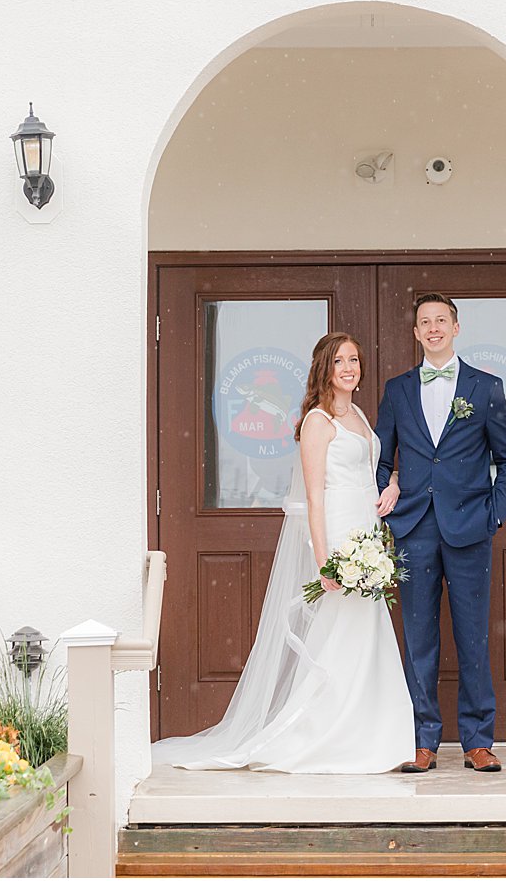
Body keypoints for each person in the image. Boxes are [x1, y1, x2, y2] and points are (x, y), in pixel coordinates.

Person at [151, 331, 414, 773]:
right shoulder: (317, 422)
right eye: (340, 362)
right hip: (339, 536)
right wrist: (323, 558)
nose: (350, 368)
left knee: (366, 634)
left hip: (368, 532)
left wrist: (393, 485)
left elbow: (370, 472)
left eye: (354, 359)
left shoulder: (361, 418)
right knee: (337, 636)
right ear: (325, 370)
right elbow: (314, 497)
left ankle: (370, 736)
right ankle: (320, 736)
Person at [375, 293, 506, 773]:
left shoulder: (486, 388)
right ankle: (423, 740)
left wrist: (493, 515)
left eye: (441, 320)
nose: (433, 328)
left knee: (472, 636)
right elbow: (382, 460)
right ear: (415, 333)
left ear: (456, 328)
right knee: (419, 638)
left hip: (470, 529)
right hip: (415, 528)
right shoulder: (397, 390)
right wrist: (389, 494)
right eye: (424, 322)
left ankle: (478, 740)